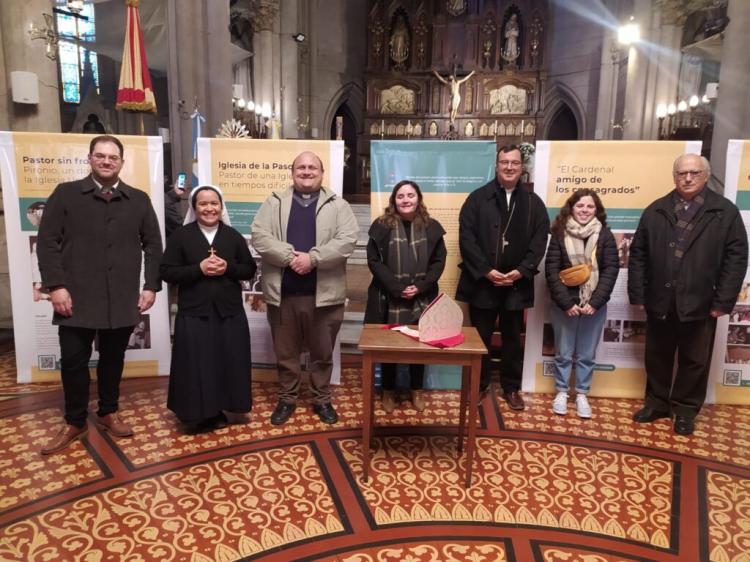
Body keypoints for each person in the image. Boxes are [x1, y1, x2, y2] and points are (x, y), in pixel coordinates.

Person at [36, 135, 163, 454]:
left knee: (112, 358)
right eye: (100, 156)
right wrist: (56, 286)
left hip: (120, 296)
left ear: (121, 162)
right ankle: (75, 420)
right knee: (74, 361)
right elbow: (48, 241)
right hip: (74, 296)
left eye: (113, 157)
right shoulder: (66, 194)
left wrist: (150, 285)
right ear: (90, 159)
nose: (107, 161)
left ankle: (108, 411)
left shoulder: (138, 199)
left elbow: (153, 245)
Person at [628, 153, 748, 435]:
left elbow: (737, 258)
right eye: (682, 173)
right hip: (660, 299)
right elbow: (638, 256)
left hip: (702, 302)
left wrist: (723, 301)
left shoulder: (724, 212)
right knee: (657, 355)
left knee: (695, 359)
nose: (688, 178)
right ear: (675, 176)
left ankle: (684, 409)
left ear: (705, 175)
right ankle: (657, 403)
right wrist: (638, 295)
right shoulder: (656, 210)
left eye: (694, 172)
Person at [251, 151, 359, 425]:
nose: (307, 171)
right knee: (286, 354)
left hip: (324, 297)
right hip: (284, 295)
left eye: (313, 167)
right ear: (292, 172)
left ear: (322, 174)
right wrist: (290, 257)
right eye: (301, 167)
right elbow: (259, 237)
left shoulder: (338, 205)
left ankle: (321, 399)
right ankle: (287, 398)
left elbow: (348, 240)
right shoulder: (274, 202)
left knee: (322, 354)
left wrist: (313, 259)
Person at [456, 144, 549, 409]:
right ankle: (480, 385)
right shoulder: (477, 198)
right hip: (483, 284)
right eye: (504, 162)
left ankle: (511, 388)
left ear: (522, 168)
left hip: (516, 286)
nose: (509, 167)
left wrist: (521, 271)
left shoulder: (533, 203)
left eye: (515, 163)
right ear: (496, 165)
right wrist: (486, 271)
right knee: (480, 338)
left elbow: (539, 240)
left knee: (511, 339)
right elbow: (467, 238)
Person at [160, 185, 256, 433]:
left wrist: (228, 268)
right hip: (194, 313)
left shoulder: (233, 236)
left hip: (229, 312)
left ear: (221, 207)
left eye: (214, 203)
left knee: (227, 361)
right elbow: (167, 272)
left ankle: (224, 406)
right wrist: (198, 269)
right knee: (197, 363)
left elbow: (248, 269)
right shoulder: (181, 237)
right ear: (194, 208)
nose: (209, 208)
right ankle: (196, 412)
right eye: (203, 204)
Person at [364, 180, 447, 412]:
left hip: (422, 297)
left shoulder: (432, 227)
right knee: (390, 346)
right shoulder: (381, 226)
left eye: (411, 195)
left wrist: (420, 286)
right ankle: (388, 391)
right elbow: (373, 260)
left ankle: (416, 390)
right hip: (389, 297)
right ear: (394, 200)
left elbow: (439, 261)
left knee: (419, 346)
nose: (406, 200)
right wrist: (396, 287)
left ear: (418, 198)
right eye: (401, 196)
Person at [545, 189, 619, 418]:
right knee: (564, 353)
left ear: (596, 210)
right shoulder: (559, 234)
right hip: (565, 305)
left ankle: (582, 394)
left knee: (587, 354)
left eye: (590, 207)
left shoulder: (605, 235)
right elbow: (551, 270)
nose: (585, 210)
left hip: (593, 306)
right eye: (580, 206)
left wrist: (595, 302)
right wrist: (566, 303)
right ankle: (561, 392)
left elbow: (610, 271)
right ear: (571, 208)